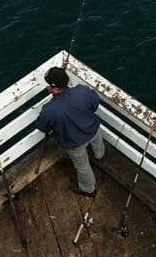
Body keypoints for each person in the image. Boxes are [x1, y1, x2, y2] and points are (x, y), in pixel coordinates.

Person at [34, 66, 104, 196]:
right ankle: (100, 156)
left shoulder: (50, 110)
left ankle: (88, 189)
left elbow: (43, 126)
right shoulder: (82, 91)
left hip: (75, 143)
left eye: (47, 85)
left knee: (82, 166)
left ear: (55, 89)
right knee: (98, 144)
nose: (46, 87)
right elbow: (94, 103)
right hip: (93, 129)